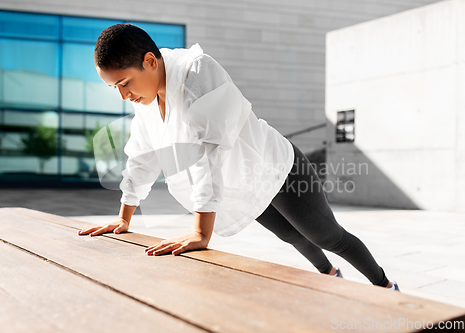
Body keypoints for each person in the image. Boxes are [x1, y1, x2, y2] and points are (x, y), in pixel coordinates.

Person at [78, 23, 399, 291]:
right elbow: (142, 155)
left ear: (149, 61)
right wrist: (124, 216)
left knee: (327, 235)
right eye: (114, 88)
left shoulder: (197, 74)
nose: (123, 96)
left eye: (123, 83)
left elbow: (208, 155)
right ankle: (331, 278)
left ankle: (386, 288)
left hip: (279, 170)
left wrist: (201, 233)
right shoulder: (145, 98)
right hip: (243, 182)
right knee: (290, 235)